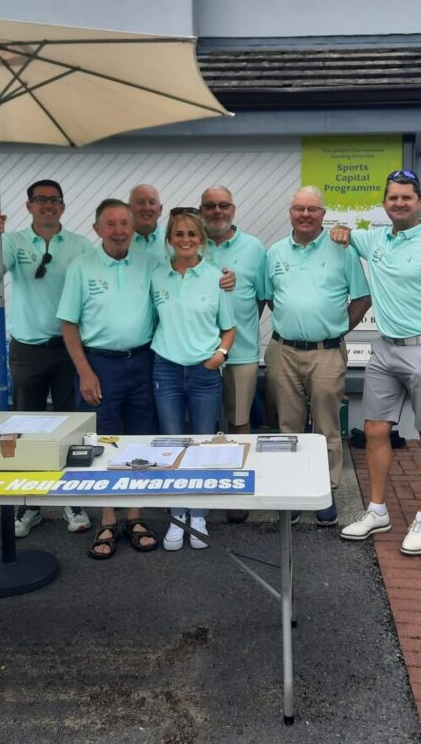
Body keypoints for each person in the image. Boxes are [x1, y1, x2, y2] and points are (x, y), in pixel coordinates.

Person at [334, 169, 421, 556]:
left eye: (407, 197)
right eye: (393, 197)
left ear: (419, 202)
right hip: (384, 350)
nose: (399, 203)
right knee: (375, 430)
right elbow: (342, 232)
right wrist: (339, 229)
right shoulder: (374, 239)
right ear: (384, 203)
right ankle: (377, 511)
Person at [0, 178, 93, 538]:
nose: (48, 205)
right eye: (40, 200)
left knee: (69, 427)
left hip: (69, 347)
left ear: (63, 205)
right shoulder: (11, 241)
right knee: (24, 427)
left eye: (54, 200)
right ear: (28, 206)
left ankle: (71, 500)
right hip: (27, 348)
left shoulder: (80, 245)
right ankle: (29, 504)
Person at [57, 198, 159, 559]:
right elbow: (68, 324)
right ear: (97, 229)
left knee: (139, 443)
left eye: (124, 224)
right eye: (111, 224)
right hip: (99, 366)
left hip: (142, 362)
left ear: (133, 229)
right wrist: (85, 371)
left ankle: (134, 516)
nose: (119, 231)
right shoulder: (81, 267)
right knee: (103, 443)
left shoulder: (149, 264)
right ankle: (107, 518)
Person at [265, 186, 371, 526]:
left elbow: (363, 298)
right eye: (299, 209)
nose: (305, 215)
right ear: (290, 213)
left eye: (312, 209)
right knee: (288, 428)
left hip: (326, 353)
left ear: (324, 214)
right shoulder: (275, 252)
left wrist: (338, 328)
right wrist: (294, 322)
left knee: (326, 428)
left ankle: (325, 492)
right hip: (283, 351)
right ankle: (293, 492)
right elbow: (270, 298)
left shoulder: (343, 251)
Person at [151, 208, 236, 552]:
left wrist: (220, 356)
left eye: (191, 234)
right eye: (178, 234)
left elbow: (229, 328)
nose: (185, 240)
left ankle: (198, 514)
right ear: (169, 240)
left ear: (201, 240)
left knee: (202, 445)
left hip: (204, 372)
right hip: (167, 370)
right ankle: (177, 515)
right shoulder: (157, 277)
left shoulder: (217, 278)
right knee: (171, 444)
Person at [200, 185, 267, 523]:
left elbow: (262, 298)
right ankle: (199, 488)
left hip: (240, 353)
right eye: (210, 206)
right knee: (202, 424)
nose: (217, 211)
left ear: (234, 209)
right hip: (196, 353)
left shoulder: (254, 248)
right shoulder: (189, 243)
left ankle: (237, 490)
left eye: (223, 205)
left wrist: (240, 321)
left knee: (240, 423)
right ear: (201, 210)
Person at [128, 183, 169, 265]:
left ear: (160, 210)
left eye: (152, 202)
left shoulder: (171, 239)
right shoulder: (119, 242)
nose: (147, 208)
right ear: (129, 209)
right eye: (140, 202)